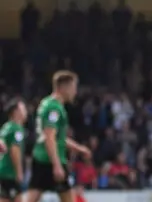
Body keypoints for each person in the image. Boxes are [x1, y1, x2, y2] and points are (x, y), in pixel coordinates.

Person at [27, 71, 91, 202]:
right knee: (67, 197)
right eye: (73, 88)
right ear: (63, 88)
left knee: (34, 196)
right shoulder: (54, 108)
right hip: (50, 159)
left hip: (41, 157)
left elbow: (57, 138)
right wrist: (56, 164)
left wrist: (79, 148)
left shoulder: (47, 103)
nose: (75, 92)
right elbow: (49, 137)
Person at [0, 100, 26, 202]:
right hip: (10, 172)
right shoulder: (16, 129)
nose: (25, 111)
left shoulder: (6, 127)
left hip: (3, 170)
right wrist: (19, 172)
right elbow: (15, 151)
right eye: (23, 108)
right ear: (16, 112)